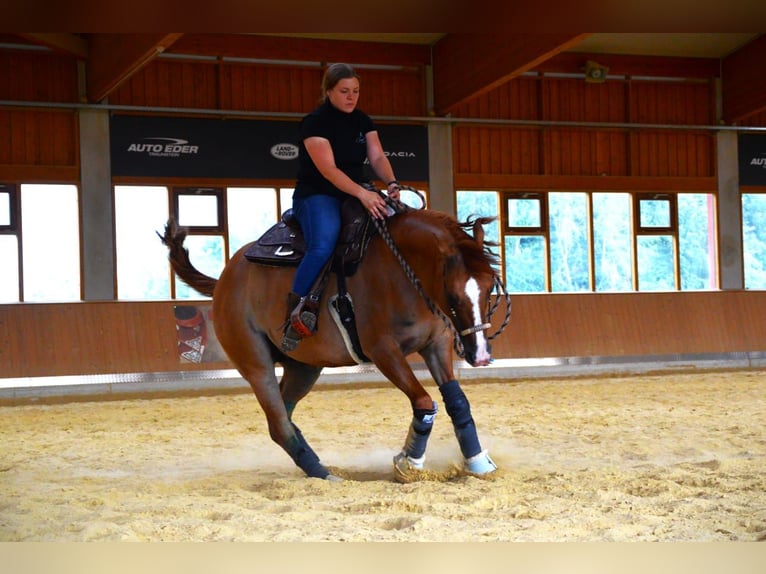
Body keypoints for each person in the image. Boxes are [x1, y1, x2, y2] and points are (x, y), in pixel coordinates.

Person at [281, 62, 401, 351]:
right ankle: (295, 312)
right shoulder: (315, 122)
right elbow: (329, 170)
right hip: (317, 194)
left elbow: (377, 157)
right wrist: (363, 194)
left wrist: (392, 183)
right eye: (344, 91)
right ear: (328, 91)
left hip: (356, 191)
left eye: (356, 91)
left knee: (399, 224)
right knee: (322, 244)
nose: (351, 97)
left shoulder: (363, 120)